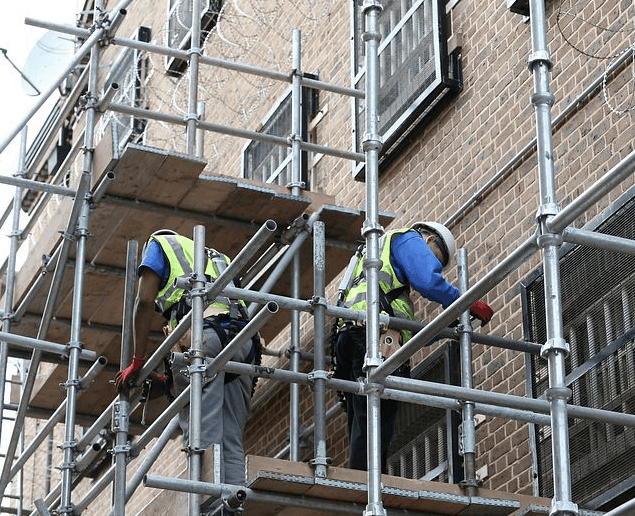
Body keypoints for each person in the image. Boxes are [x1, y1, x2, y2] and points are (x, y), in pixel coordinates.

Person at [334, 221, 494, 473]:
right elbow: (428, 281)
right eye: (435, 260)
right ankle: (368, 488)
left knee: (364, 423)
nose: (433, 266)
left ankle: (363, 485)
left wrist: (444, 327)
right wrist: (465, 301)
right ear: (429, 239)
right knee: (376, 422)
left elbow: (409, 336)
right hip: (371, 337)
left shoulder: (380, 272)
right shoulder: (406, 238)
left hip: (353, 336)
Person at [114, 229, 259, 494]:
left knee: (203, 431)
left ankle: (207, 504)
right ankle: (232, 505)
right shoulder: (216, 257)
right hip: (244, 342)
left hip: (205, 339)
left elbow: (144, 301)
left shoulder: (159, 244)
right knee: (231, 439)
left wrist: (137, 360)